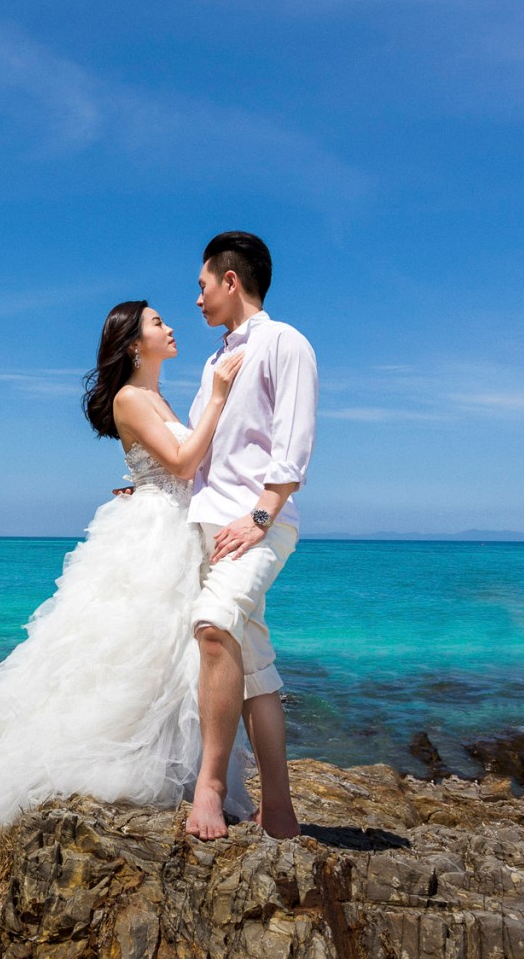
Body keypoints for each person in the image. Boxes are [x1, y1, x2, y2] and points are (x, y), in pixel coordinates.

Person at [0, 301, 246, 848]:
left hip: (172, 527)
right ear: (132, 344)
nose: (170, 327)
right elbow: (181, 463)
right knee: (131, 646)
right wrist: (219, 398)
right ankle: (106, 757)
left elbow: (172, 464)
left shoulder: (155, 396)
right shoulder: (130, 396)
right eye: (157, 323)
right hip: (154, 534)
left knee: (160, 650)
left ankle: (174, 763)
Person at [183, 231, 318, 841]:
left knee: (212, 627)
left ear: (230, 281)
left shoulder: (285, 342)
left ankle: (210, 785)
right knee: (254, 664)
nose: (198, 299)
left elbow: (294, 440)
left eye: (203, 285)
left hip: (258, 525)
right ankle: (280, 807)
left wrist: (262, 515)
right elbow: (201, 448)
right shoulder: (214, 361)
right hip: (213, 525)